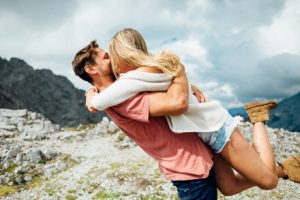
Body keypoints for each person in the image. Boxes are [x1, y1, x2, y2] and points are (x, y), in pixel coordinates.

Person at [82, 28, 300, 196]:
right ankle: (284, 168)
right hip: (204, 133)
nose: (112, 60)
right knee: (229, 187)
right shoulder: (154, 69)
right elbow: (168, 84)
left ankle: (258, 117)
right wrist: (189, 83)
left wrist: (90, 95)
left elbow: (99, 102)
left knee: (268, 181)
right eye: (106, 57)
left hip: (216, 129)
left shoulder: (133, 79)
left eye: (112, 55)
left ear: (124, 53)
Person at [72, 42, 218, 199]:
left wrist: (189, 86)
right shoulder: (121, 100)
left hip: (193, 165)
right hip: (189, 169)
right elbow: (176, 102)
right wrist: (179, 70)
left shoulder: (118, 91)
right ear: (91, 69)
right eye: (107, 57)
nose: (114, 58)